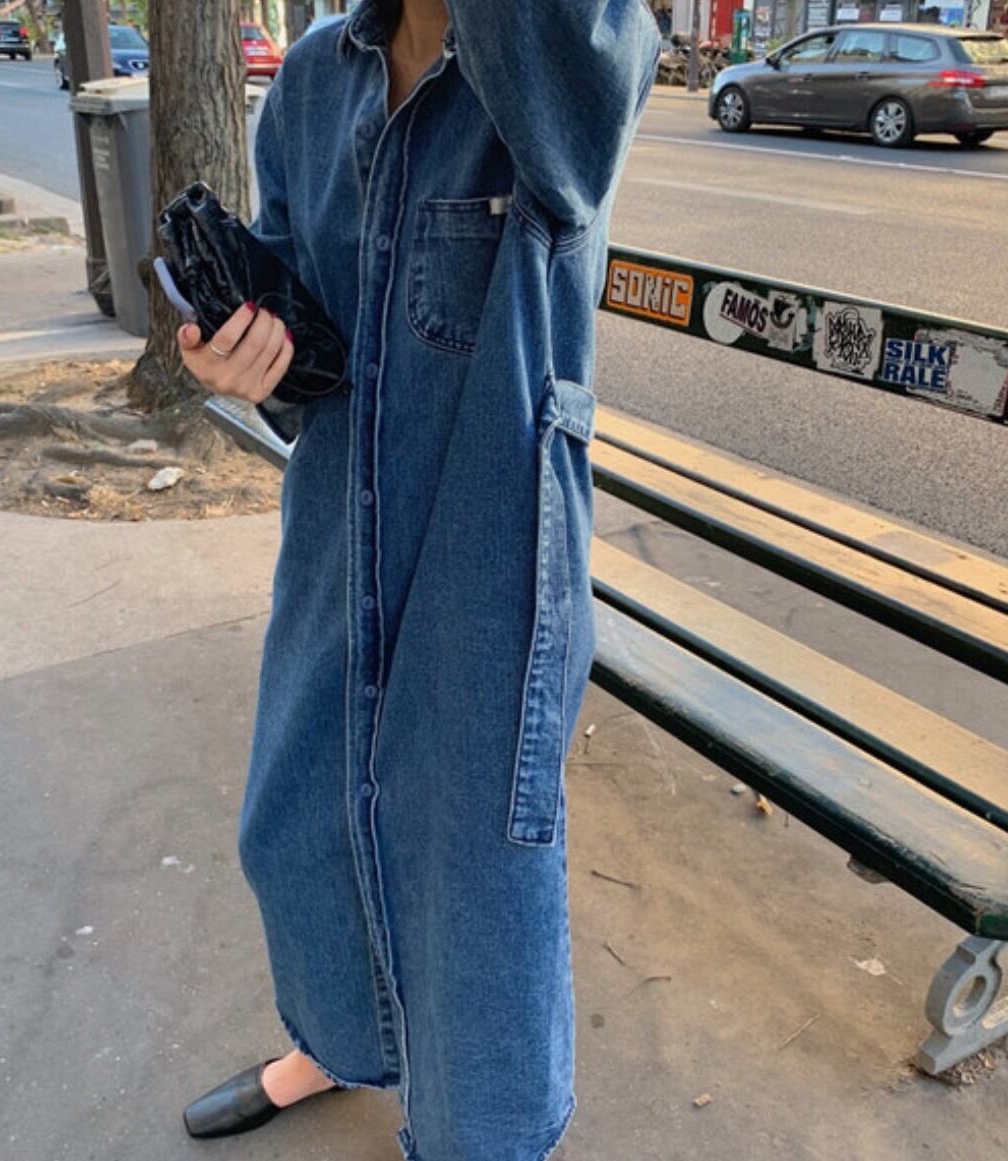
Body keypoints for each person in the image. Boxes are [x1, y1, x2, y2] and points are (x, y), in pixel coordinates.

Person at [177, 1, 658, 1158]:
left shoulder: (575, 42)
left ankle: (477, 1137)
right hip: (337, 523)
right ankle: (342, 1042)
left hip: (491, 539)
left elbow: (572, 141)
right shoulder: (311, 79)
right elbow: (306, 335)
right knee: (299, 812)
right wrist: (247, 355)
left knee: (476, 865)